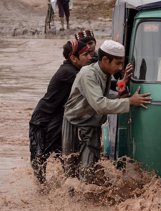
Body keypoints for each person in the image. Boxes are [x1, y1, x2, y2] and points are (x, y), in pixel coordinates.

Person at [62, 40, 152, 183]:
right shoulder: (88, 74)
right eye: (117, 63)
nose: (120, 67)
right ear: (105, 60)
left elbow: (103, 97)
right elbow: (100, 105)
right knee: (74, 172)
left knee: (90, 170)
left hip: (91, 124)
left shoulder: (104, 72)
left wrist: (122, 94)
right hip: (77, 125)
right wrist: (129, 101)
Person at [29, 40, 91, 184]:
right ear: (73, 58)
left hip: (57, 119)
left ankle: (65, 191)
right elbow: (92, 86)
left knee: (65, 157)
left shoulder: (75, 70)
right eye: (86, 54)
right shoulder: (68, 73)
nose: (89, 57)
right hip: (43, 120)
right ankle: (43, 195)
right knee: (40, 158)